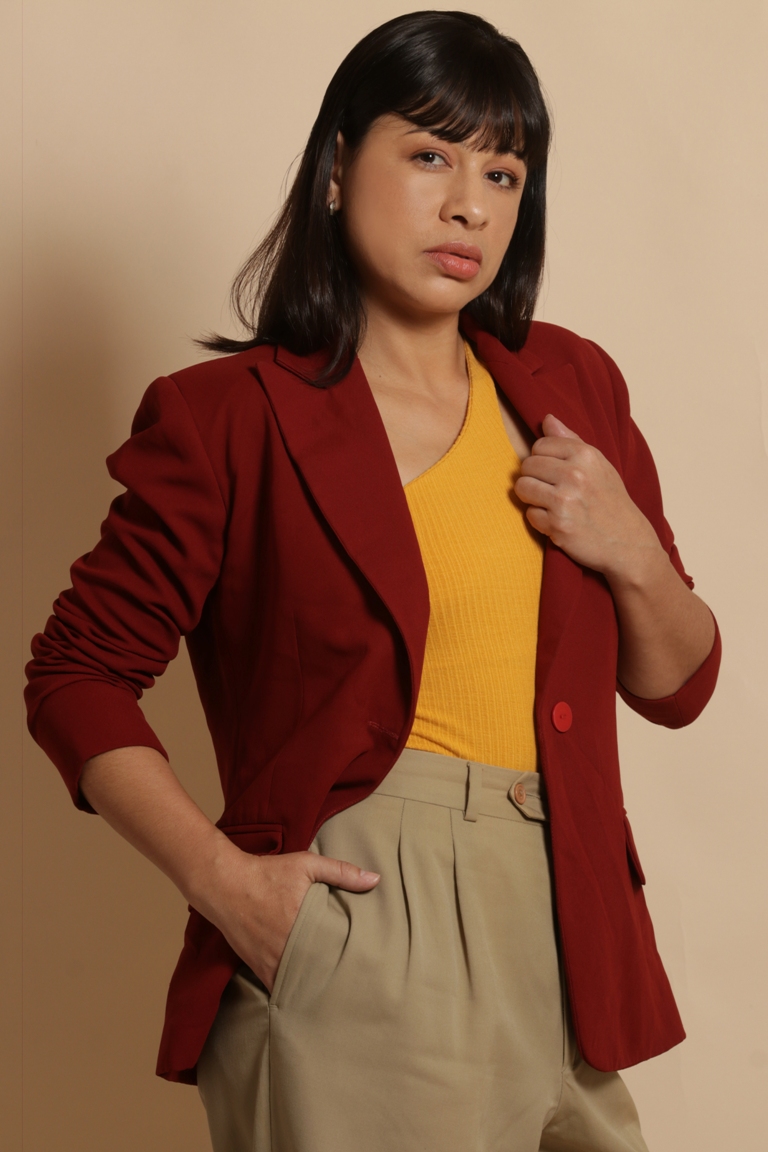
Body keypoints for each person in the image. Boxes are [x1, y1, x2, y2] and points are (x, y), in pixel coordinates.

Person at [25, 11, 721, 1152]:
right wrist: (222, 881)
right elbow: (74, 676)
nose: (471, 206)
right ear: (339, 168)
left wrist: (630, 546)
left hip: (573, 923)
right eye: (432, 154)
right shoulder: (230, 420)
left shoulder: (573, 385)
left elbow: (679, 684)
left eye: (503, 173)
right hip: (367, 929)